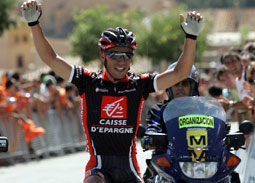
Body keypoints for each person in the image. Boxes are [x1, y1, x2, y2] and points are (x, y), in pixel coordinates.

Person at [21, 1, 203, 183]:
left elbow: (180, 72)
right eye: (115, 55)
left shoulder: (139, 84)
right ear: (103, 56)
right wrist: (34, 25)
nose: (121, 61)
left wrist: (191, 38)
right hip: (98, 167)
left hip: (128, 168)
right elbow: (51, 59)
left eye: (127, 55)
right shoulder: (88, 81)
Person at [142, 63, 200, 182]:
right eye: (176, 83)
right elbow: (153, 126)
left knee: (230, 176)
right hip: (168, 161)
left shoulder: (205, 108)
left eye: (184, 83)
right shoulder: (159, 109)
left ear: (192, 86)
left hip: (201, 160)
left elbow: (218, 128)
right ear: (169, 87)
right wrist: (151, 137)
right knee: (151, 178)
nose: (180, 87)